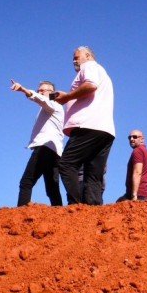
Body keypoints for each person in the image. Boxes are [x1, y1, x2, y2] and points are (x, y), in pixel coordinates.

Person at [53, 46, 115, 205]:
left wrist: (67, 97)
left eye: (77, 57)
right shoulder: (103, 72)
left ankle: (77, 207)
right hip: (105, 130)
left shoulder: (90, 67)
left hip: (87, 126)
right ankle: (92, 212)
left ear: (88, 56)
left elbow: (90, 86)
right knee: (93, 174)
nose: (74, 60)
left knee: (67, 164)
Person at [9, 79, 64, 206]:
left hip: (45, 148)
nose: (40, 92)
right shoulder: (52, 108)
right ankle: (60, 215)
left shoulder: (52, 104)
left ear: (52, 92)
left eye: (42, 90)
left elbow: (40, 99)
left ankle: (21, 216)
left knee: (26, 182)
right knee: (52, 188)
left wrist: (23, 89)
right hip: (54, 151)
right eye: (39, 90)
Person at [117, 129, 147, 202]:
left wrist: (134, 195)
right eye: (129, 137)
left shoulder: (138, 151)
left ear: (142, 139)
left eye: (135, 137)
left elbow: (137, 172)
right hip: (146, 195)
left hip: (138, 195)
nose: (131, 139)